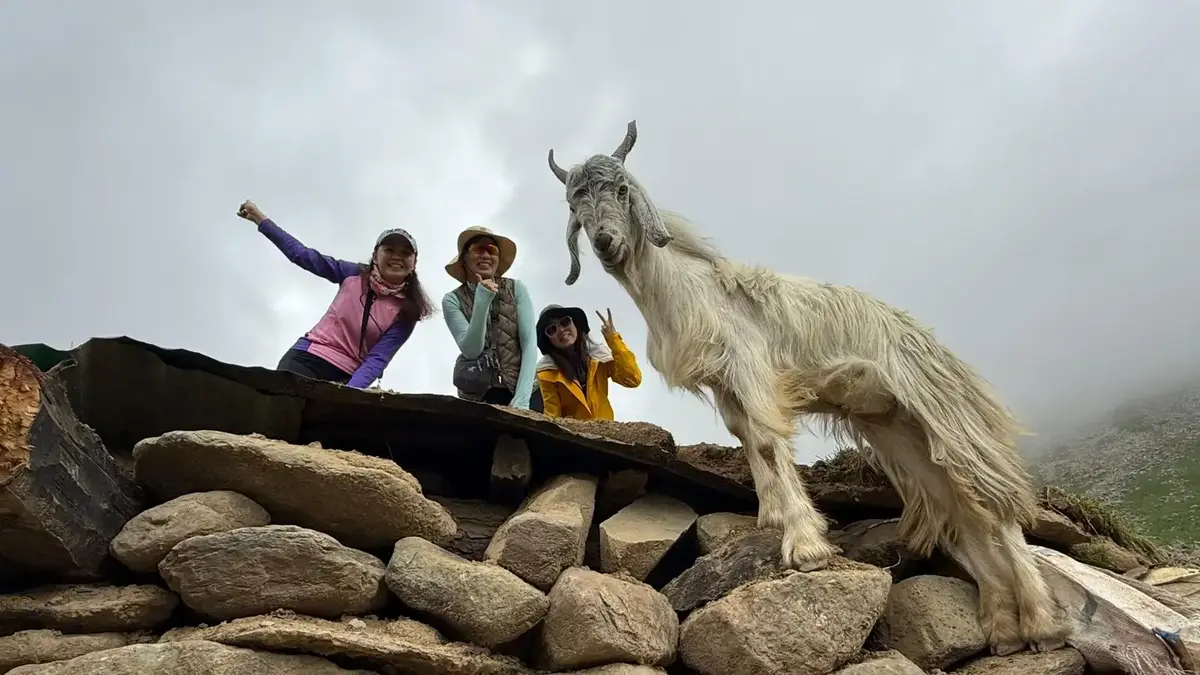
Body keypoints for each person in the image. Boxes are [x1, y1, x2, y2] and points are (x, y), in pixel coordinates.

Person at [237, 200, 433, 388]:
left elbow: (377, 359)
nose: (397, 257)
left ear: (414, 263)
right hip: (307, 357)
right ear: (375, 256)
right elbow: (303, 255)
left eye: (406, 253)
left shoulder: (409, 310)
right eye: (389, 250)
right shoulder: (353, 274)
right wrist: (260, 219)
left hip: (347, 377)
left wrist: (347, 393)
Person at [441, 226, 538, 408]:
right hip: (477, 396)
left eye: (492, 250)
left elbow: (529, 344)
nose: (485, 255)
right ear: (464, 259)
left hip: (520, 390)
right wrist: (482, 301)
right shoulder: (452, 300)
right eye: (478, 249)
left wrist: (522, 399)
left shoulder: (516, 289)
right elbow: (471, 350)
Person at [535, 304, 642, 420]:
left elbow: (632, 379)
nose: (561, 330)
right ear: (548, 340)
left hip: (605, 433)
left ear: (575, 323)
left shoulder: (599, 357)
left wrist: (614, 340)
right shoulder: (547, 373)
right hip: (573, 436)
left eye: (565, 322)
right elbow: (553, 414)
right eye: (552, 329)